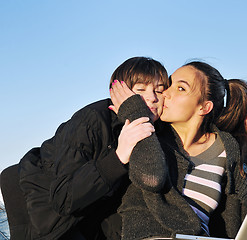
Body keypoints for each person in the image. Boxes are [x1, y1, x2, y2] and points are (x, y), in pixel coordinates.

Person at [3, 56, 169, 240]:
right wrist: (118, 157)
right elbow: (64, 198)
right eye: (140, 89)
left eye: (159, 90)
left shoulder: (158, 131)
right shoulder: (92, 121)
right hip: (40, 206)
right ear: (119, 92)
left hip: (89, 214)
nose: (152, 98)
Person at [102, 61, 247, 239]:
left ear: (204, 107)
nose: (166, 93)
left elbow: (243, 209)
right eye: (169, 85)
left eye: (181, 88)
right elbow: (151, 179)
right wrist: (135, 113)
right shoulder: (149, 135)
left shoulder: (226, 147)